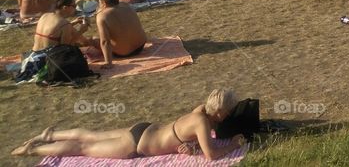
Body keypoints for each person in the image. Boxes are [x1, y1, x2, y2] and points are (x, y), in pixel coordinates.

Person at [11, 88, 245, 160]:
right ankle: (33, 150)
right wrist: (233, 144)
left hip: (144, 129)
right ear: (222, 112)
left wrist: (190, 148)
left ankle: (51, 134)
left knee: (92, 135)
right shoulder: (203, 124)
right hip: (138, 144)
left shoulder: (199, 112)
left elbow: (188, 140)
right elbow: (211, 155)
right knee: (82, 149)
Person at [96, 0, 148, 67]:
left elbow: (105, 41)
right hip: (140, 45)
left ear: (104, 3)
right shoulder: (126, 5)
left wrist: (108, 63)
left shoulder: (102, 16)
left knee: (93, 40)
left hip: (123, 53)